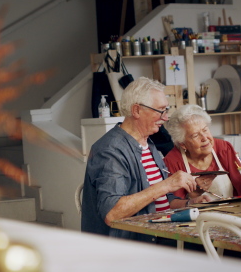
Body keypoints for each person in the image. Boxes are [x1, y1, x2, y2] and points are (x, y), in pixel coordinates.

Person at [81, 77, 212, 242]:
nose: (165, 118)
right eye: (161, 110)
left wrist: (190, 204)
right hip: (133, 247)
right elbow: (112, 213)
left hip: (162, 235)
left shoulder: (148, 144)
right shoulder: (110, 150)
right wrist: (167, 184)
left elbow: (164, 200)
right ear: (136, 110)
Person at [164, 104, 241, 199]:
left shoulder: (223, 148)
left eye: (205, 130)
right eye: (195, 135)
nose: (205, 138)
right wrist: (194, 194)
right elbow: (173, 205)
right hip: (195, 214)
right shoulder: (172, 162)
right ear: (182, 144)